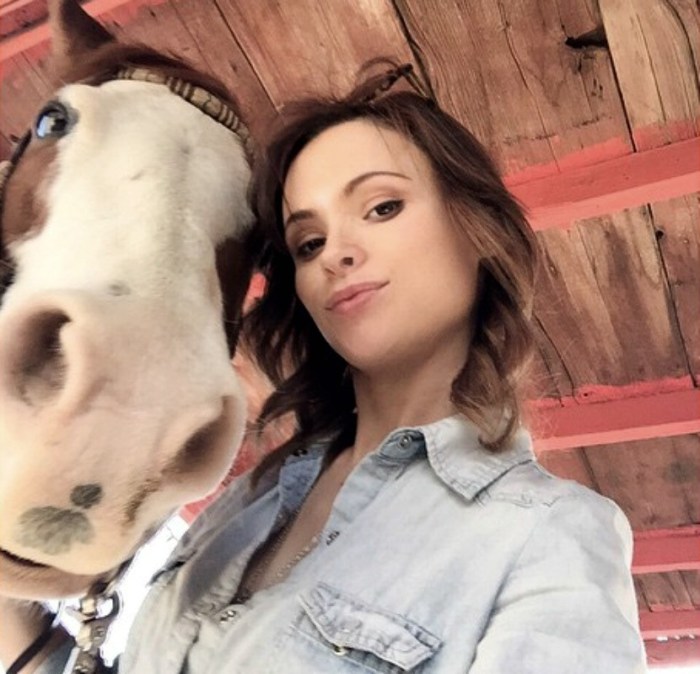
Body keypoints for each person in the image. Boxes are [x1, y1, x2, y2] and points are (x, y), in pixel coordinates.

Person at [4, 63, 646, 674]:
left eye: (382, 207)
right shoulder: (248, 502)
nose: (336, 253)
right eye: (308, 243)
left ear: (478, 231)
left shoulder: (552, 533)